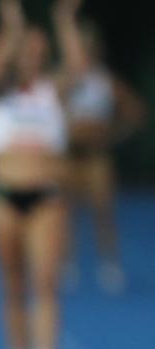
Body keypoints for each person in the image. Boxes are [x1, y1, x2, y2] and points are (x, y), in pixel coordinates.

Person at [0, 0, 86, 349]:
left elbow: (76, 69)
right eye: (29, 47)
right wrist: (11, 22)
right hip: (5, 198)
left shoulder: (52, 92)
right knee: (12, 286)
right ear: (19, 51)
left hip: (46, 199)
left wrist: (65, 22)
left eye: (42, 49)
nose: (35, 54)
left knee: (45, 283)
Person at [62, 18, 147, 294]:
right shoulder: (66, 80)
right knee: (67, 211)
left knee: (103, 210)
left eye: (89, 48)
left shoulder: (105, 80)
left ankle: (109, 263)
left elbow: (135, 110)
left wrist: (114, 135)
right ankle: (67, 263)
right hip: (71, 155)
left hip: (97, 155)